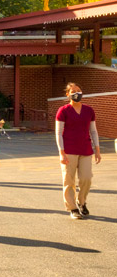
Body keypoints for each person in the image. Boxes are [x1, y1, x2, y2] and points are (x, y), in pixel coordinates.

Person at [55, 82, 102, 219]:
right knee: (69, 180)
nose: (77, 93)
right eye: (73, 91)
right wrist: (61, 152)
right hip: (68, 150)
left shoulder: (89, 110)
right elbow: (58, 133)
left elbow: (93, 131)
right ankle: (73, 208)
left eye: (79, 90)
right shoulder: (63, 110)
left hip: (86, 150)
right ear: (68, 94)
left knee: (86, 179)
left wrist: (97, 150)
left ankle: (81, 202)